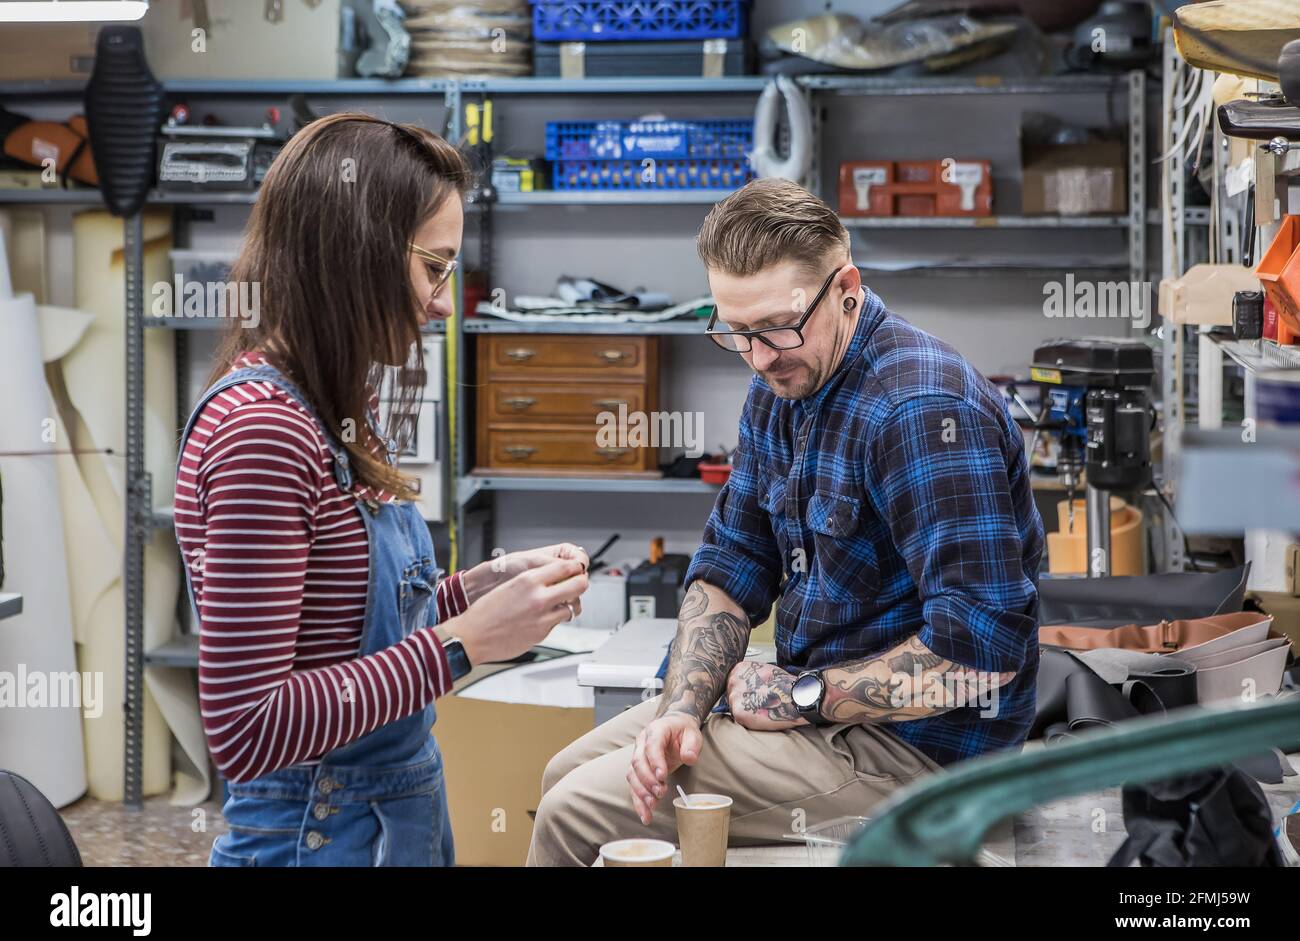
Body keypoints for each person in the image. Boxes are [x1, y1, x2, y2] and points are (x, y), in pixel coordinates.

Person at [527, 178, 1044, 866]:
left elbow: (981, 653)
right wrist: (682, 709)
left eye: (779, 326)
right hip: (822, 709)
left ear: (846, 289)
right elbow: (731, 568)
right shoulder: (779, 388)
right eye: (738, 332)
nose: (762, 355)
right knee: (561, 775)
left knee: (573, 814)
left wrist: (798, 696)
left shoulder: (919, 410)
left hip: (923, 755)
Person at [174, 113, 588, 867]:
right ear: (353, 252)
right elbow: (247, 727)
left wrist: (476, 592)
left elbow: (340, 631)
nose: (442, 302)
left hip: (387, 819)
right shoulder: (264, 434)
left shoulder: (333, 405)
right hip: (319, 834)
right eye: (433, 268)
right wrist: (462, 644)